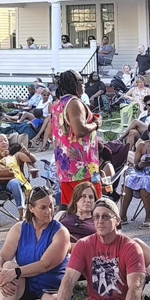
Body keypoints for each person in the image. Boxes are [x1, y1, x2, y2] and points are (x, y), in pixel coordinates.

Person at [55, 198, 150, 300]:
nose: (100, 221)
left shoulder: (131, 247)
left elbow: (135, 287)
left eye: (105, 217)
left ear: (117, 220)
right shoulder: (83, 244)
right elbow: (68, 280)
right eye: (96, 217)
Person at [0, 187, 70, 300]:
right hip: (24, 286)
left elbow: (44, 265)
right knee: (7, 265)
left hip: (51, 289)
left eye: (51, 206)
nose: (49, 211)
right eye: (43, 207)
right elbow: (2, 257)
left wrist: (16, 272)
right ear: (31, 208)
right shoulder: (19, 228)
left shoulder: (61, 233)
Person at [49, 69, 101, 206]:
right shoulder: (74, 103)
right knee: (90, 207)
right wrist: (95, 124)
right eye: (81, 81)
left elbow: (51, 133)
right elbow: (80, 130)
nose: (84, 84)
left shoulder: (57, 104)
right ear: (75, 84)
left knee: (71, 208)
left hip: (65, 166)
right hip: (83, 166)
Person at [0, 134, 35, 229]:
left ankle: (22, 216)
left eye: (5, 140)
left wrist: (27, 153)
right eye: (0, 141)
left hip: (11, 182)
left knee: (15, 183)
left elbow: (33, 160)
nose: (3, 142)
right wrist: (0, 156)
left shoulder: (16, 156)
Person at [54, 181, 97, 246]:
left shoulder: (97, 220)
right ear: (76, 199)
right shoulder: (62, 214)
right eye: (83, 196)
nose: (87, 200)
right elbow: (49, 233)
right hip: (60, 248)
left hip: (85, 249)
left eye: (91, 197)